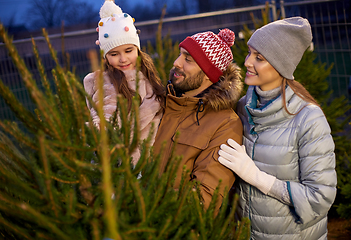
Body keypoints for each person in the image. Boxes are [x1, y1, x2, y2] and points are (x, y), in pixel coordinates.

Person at [218, 17, 337, 239]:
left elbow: (320, 198)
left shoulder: (308, 119)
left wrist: (257, 177)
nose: (247, 62)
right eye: (249, 53)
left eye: (259, 57)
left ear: (281, 64)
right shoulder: (243, 107)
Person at [153, 29, 244, 212]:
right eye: (180, 55)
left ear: (208, 74)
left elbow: (204, 200)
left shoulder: (225, 124)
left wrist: (143, 201)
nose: (176, 63)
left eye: (188, 59)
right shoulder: (160, 104)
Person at [83, 0, 165, 165]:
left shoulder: (146, 75)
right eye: (114, 54)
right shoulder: (108, 83)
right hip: (128, 166)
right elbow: (106, 112)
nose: (123, 59)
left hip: (156, 160)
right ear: (105, 57)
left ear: (137, 49)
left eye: (129, 51)